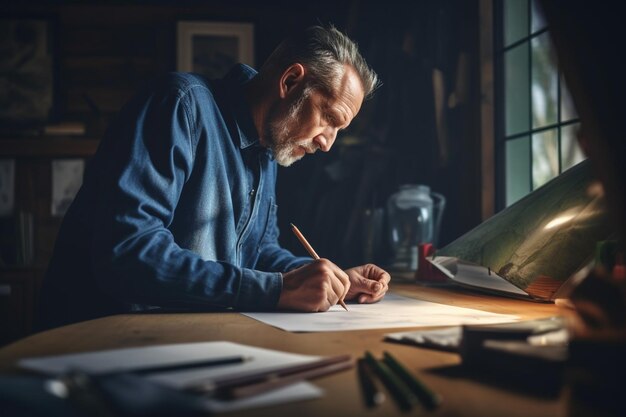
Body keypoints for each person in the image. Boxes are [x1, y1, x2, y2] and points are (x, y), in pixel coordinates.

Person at [37, 25, 390, 330]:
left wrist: (334, 280)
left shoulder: (269, 143)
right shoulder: (180, 106)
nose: (328, 142)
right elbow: (129, 251)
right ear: (291, 81)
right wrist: (276, 290)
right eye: (329, 118)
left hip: (185, 338)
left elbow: (258, 253)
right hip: (101, 343)